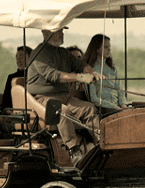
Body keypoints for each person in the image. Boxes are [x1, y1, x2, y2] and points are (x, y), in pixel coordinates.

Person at [26, 28, 104, 167]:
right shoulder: (39, 53)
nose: (62, 33)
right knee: (63, 111)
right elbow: (54, 76)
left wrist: (93, 72)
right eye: (58, 31)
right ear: (46, 33)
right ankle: (74, 151)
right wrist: (80, 77)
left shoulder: (63, 52)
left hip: (65, 97)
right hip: (42, 99)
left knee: (89, 109)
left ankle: (100, 145)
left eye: (62, 30)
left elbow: (80, 65)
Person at [82, 34, 126, 113]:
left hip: (117, 108)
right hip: (103, 109)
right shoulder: (90, 69)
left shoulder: (113, 68)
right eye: (106, 47)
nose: (109, 49)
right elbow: (94, 99)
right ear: (97, 49)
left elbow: (120, 90)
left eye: (109, 47)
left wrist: (123, 105)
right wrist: (114, 107)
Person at [0, 46, 31, 111]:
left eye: (22, 57)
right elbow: (5, 103)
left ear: (31, 58)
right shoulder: (11, 77)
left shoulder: (35, 77)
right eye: (17, 57)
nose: (18, 60)